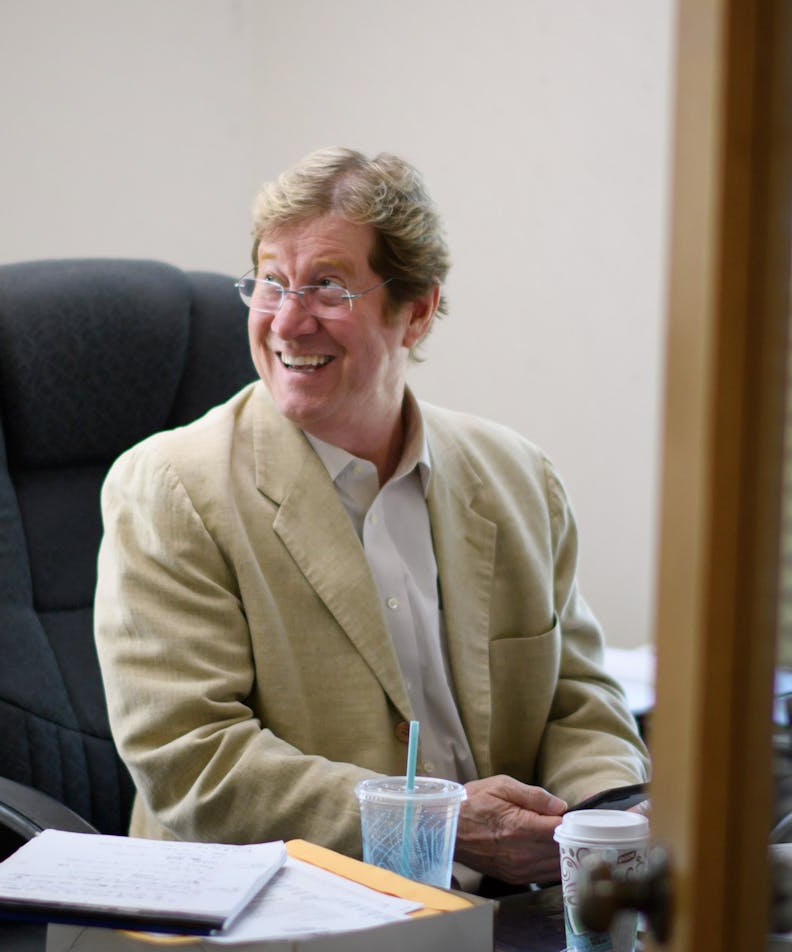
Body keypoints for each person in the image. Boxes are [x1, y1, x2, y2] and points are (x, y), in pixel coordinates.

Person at [94, 147, 649, 890]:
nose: (288, 321)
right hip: (283, 912)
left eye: (326, 287)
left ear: (415, 312)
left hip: (516, 911)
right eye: (270, 282)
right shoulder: (169, 489)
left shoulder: (519, 477)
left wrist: (594, 822)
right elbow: (193, 759)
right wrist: (439, 820)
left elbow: (581, 699)